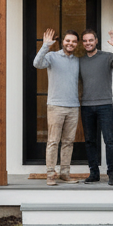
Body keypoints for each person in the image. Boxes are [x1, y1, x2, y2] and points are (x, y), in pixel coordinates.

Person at [78, 29, 113, 186]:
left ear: (96, 40)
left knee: (109, 140)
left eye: (90, 40)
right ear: (83, 43)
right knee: (90, 141)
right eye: (85, 41)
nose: (88, 43)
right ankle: (94, 173)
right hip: (86, 105)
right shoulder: (79, 61)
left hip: (105, 104)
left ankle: (112, 173)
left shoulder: (107, 57)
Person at [32, 28, 81, 185]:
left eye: (73, 41)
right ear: (63, 42)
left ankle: (65, 173)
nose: (70, 43)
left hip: (73, 106)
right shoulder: (51, 56)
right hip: (55, 106)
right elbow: (37, 64)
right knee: (53, 141)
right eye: (68, 40)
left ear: (77, 44)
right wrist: (45, 45)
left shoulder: (78, 60)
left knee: (68, 141)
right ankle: (50, 174)